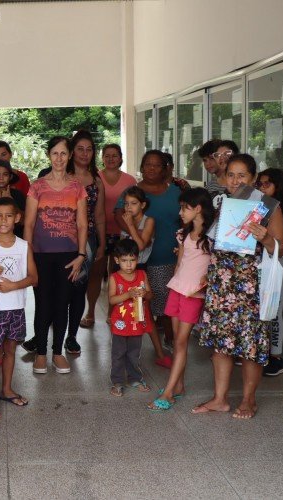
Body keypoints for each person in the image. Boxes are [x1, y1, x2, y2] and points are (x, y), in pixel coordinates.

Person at [194, 154, 283, 419]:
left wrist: (266, 238)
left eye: (241, 175)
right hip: (222, 284)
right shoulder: (223, 203)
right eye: (231, 175)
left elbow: (280, 248)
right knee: (221, 344)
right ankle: (220, 399)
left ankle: (248, 400)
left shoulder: (268, 206)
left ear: (253, 178)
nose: (235, 181)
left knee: (250, 346)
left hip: (251, 287)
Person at [22, 136, 87, 374]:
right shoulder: (37, 186)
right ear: (49, 156)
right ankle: (41, 353)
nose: (59, 159)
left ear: (69, 156)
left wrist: (81, 255)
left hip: (69, 255)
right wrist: (29, 257)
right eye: (55, 154)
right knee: (43, 304)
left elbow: (81, 225)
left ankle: (58, 352)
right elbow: (28, 225)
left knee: (63, 304)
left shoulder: (77, 187)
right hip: (40, 255)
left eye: (63, 154)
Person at [148, 188, 214, 411]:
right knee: (176, 340)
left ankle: (168, 391)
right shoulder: (184, 234)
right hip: (177, 289)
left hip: (193, 294)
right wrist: (175, 281)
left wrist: (204, 283)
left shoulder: (212, 237)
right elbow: (180, 264)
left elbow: (214, 268)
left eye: (185, 207)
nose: (181, 212)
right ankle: (179, 386)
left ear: (198, 209)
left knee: (181, 342)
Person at [114, 151, 177, 368]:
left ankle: (164, 347)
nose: (151, 168)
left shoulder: (172, 193)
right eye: (147, 164)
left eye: (156, 165)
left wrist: (131, 226)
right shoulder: (131, 198)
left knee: (154, 306)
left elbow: (141, 244)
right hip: (127, 269)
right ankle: (126, 354)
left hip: (150, 264)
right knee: (124, 310)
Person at [0, 197, 37, 419]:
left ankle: (6, 389)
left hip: (16, 308)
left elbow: (34, 278)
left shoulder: (24, 246)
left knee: (10, 350)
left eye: (9, 215)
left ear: (17, 218)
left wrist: (13, 285)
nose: (3, 220)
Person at [81, 144, 136, 329]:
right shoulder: (95, 178)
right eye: (107, 156)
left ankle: (114, 313)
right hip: (98, 232)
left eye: (115, 156)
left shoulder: (130, 180)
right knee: (95, 274)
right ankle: (90, 312)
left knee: (117, 275)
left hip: (122, 233)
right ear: (102, 158)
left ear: (121, 158)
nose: (111, 159)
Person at [63, 130, 105, 354]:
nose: (85, 153)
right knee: (60, 289)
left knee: (79, 288)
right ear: (71, 151)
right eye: (80, 148)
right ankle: (49, 334)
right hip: (60, 238)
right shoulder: (61, 176)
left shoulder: (97, 181)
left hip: (87, 241)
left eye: (89, 149)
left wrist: (102, 244)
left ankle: (71, 337)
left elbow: (99, 217)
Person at [256, 168, 283, 377]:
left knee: (275, 309)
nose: (262, 188)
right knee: (264, 309)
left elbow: (282, 240)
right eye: (260, 184)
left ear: (278, 186)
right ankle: (263, 353)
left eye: (267, 184)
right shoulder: (260, 205)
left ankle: (276, 357)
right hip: (265, 260)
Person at [108, 239, 152, 396]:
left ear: (137, 259)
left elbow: (150, 294)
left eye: (132, 260)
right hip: (120, 323)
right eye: (124, 261)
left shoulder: (141, 274)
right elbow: (112, 300)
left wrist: (144, 294)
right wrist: (127, 294)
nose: (128, 265)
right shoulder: (114, 278)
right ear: (117, 260)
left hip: (137, 322)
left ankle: (135, 378)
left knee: (134, 353)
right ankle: (117, 382)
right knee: (118, 353)